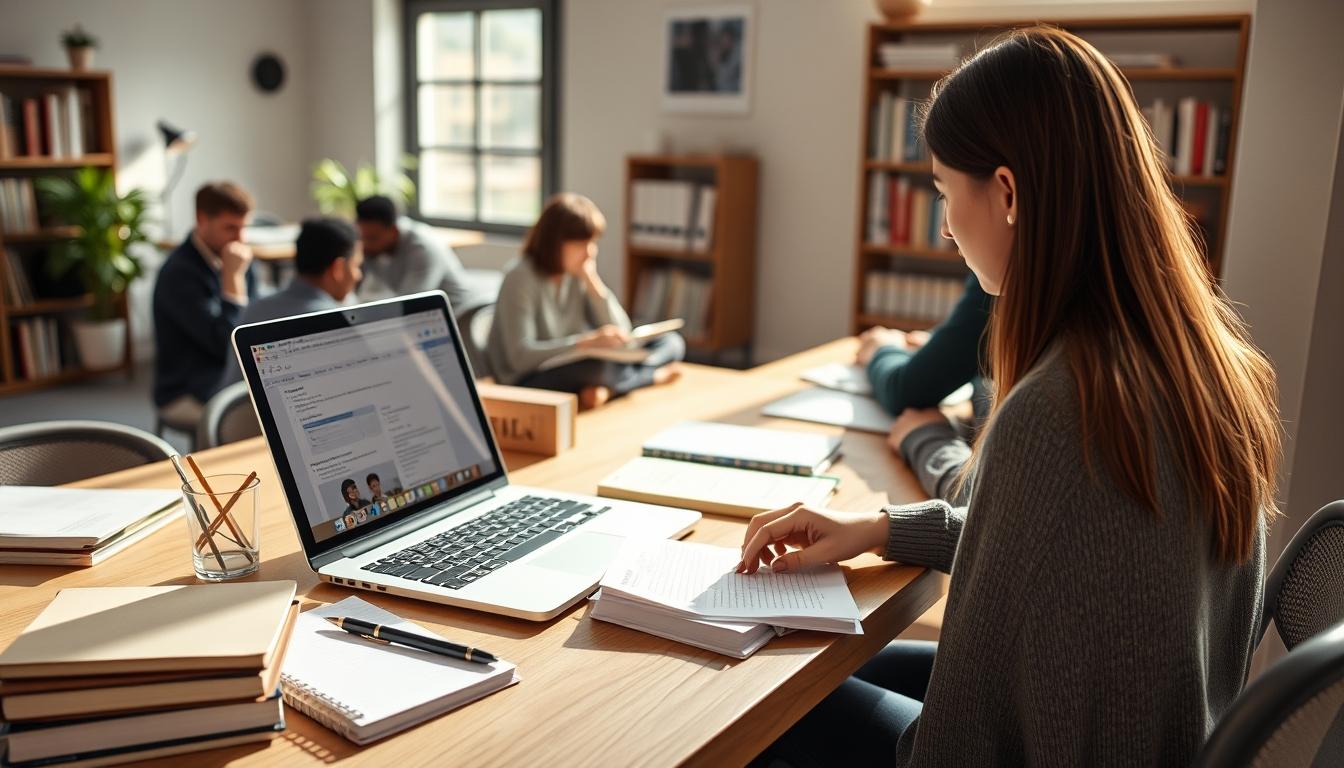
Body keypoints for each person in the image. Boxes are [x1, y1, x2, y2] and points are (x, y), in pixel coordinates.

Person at [740, 27, 1280, 766]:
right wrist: (881, 529)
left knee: (770, 700)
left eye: (944, 192)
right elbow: (1058, 553)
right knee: (831, 672)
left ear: (1008, 193)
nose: (944, 226)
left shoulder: (1061, 409)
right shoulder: (1214, 368)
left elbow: (955, 741)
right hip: (1150, 735)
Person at [486, 193, 685, 410]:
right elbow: (520, 357)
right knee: (596, 368)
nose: (590, 252)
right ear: (555, 243)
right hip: (528, 378)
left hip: (573, 362)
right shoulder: (520, 278)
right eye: (582, 244)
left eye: (593, 243)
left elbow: (623, 332)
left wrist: (592, 282)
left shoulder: (576, 275)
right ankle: (648, 377)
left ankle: (609, 387)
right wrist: (584, 344)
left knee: (672, 343)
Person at [856, 274, 993, 502]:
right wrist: (939, 343)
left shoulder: (1006, 280)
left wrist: (928, 438)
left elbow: (985, 504)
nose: (946, 235)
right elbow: (980, 348)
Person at [152, 182, 257, 425]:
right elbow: (225, 345)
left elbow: (254, 322)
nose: (240, 238)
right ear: (202, 220)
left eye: (244, 228)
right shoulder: (178, 273)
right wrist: (233, 280)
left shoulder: (235, 257)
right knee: (257, 420)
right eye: (230, 228)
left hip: (227, 375)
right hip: (185, 388)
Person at [218, 218, 364, 387]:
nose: (358, 275)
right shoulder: (338, 326)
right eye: (356, 265)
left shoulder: (254, 310)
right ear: (337, 269)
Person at [354, 195, 492, 313]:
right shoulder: (373, 248)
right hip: (425, 312)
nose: (365, 244)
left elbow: (410, 304)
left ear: (394, 231)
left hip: (456, 314)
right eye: (362, 237)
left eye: (372, 238)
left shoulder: (423, 249)